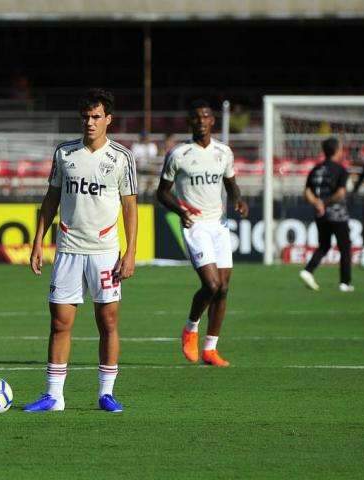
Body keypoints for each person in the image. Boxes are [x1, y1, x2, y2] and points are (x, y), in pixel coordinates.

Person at [24, 88, 138, 413]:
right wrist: (37, 242)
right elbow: (50, 200)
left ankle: (106, 393)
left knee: (108, 321)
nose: (90, 122)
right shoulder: (64, 154)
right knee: (60, 322)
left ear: (108, 120)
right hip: (68, 249)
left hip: (105, 251)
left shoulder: (122, 158)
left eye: (96, 116)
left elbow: (130, 207)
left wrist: (130, 253)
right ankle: (54, 396)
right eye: (86, 116)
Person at [156, 99, 248, 367]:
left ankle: (210, 349)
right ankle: (190, 328)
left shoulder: (223, 152)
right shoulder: (179, 154)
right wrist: (180, 210)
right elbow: (161, 193)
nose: (201, 120)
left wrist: (238, 200)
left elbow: (231, 184)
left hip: (218, 225)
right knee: (212, 284)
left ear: (212, 121)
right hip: (194, 225)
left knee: (223, 289)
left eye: (205, 116)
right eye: (195, 117)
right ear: (190, 122)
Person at [299, 137, 353, 292]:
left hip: (320, 215)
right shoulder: (340, 169)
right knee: (345, 247)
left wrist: (317, 203)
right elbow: (341, 193)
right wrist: (326, 202)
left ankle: (308, 270)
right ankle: (345, 283)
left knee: (324, 245)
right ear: (337, 150)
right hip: (337, 215)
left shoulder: (316, 169)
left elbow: (307, 191)